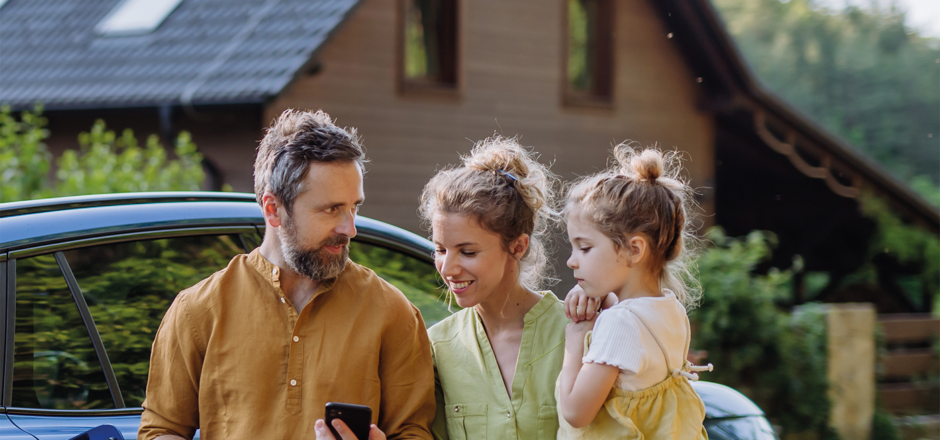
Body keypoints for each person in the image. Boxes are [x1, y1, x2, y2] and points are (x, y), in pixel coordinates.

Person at [139, 109, 435, 440]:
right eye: (331, 209)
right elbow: (161, 430)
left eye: (354, 207)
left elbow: (415, 432)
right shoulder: (197, 311)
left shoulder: (393, 313)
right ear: (273, 209)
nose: (349, 228)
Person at [556, 144, 711, 439]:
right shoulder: (669, 309)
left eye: (585, 247)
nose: (571, 260)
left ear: (634, 249)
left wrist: (576, 336)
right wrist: (602, 299)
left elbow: (576, 413)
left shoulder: (619, 323)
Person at [420, 136, 567, 439]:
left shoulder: (577, 332)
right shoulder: (437, 347)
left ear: (518, 246)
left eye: (468, 252)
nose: (448, 269)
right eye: (440, 250)